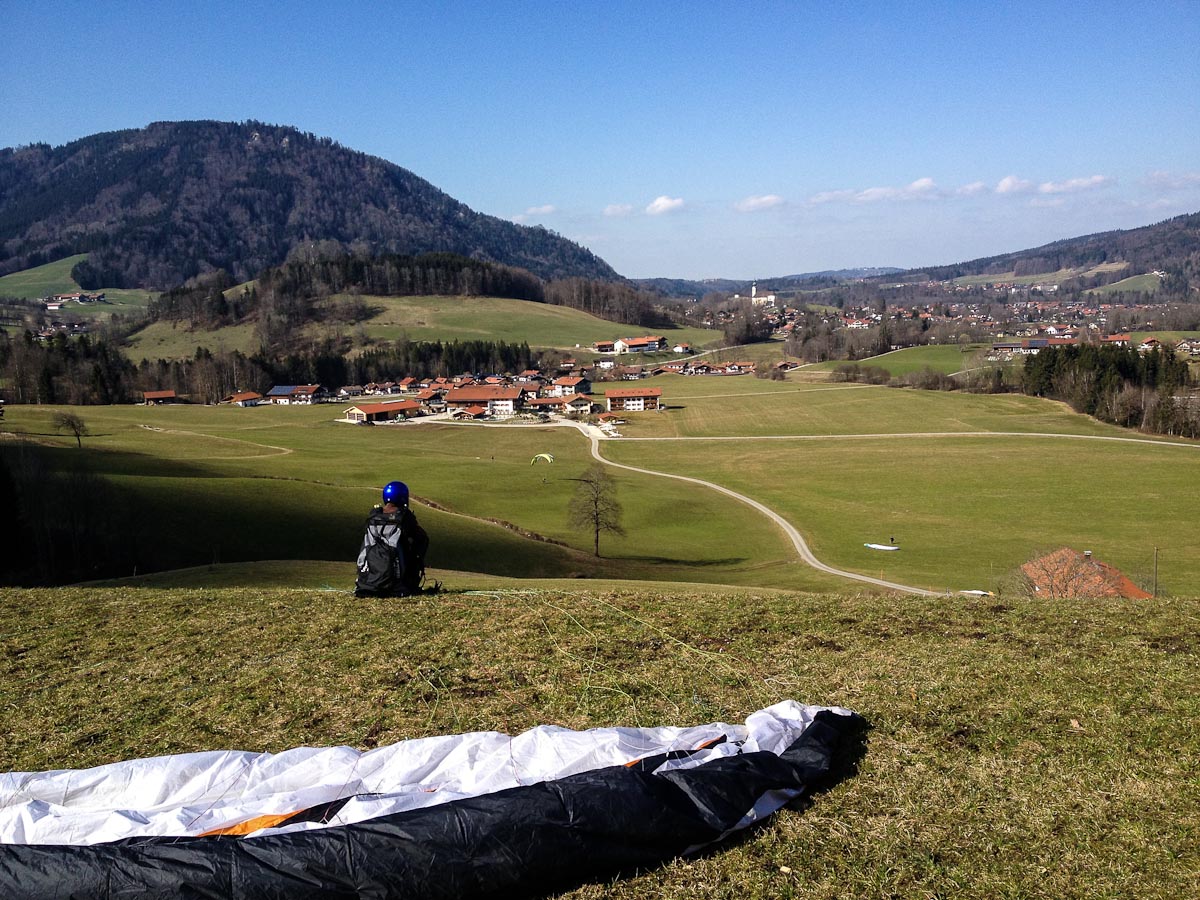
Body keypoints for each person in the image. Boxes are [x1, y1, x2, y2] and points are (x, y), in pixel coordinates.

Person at [354, 480, 430, 597]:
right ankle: (406, 582)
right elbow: (422, 538)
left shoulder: (373, 516)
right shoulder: (404, 517)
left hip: (366, 584)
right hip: (396, 587)